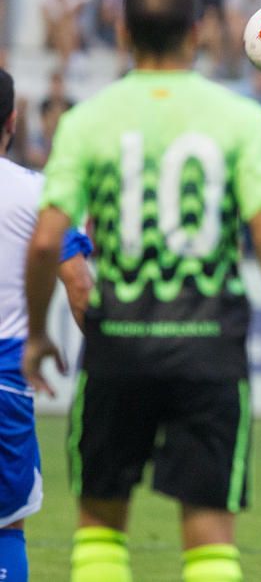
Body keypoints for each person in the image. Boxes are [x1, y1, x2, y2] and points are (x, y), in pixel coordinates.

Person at [21, 0, 261, 582]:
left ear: (121, 28)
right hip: (208, 349)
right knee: (210, 538)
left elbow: (47, 239)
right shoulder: (239, 119)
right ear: (199, 31)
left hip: (117, 347)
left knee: (101, 530)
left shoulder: (86, 120)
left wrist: (36, 333)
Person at [0, 68, 93, 581]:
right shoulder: (41, 195)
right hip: (5, 377)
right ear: (13, 121)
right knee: (5, 523)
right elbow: (78, 285)